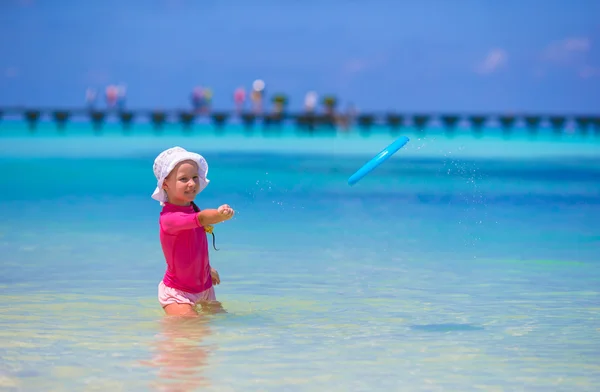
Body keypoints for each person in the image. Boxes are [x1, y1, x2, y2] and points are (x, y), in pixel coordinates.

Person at [151, 146, 235, 316]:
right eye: (184, 179)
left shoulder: (191, 208)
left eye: (195, 177)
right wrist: (219, 215)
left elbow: (194, 246)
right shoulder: (170, 218)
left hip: (203, 287)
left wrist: (207, 269)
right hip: (178, 293)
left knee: (221, 323)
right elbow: (203, 219)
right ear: (165, 184)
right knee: (191, 330)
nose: (192, 183)